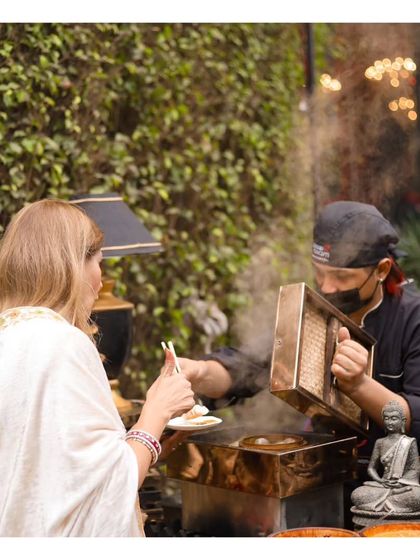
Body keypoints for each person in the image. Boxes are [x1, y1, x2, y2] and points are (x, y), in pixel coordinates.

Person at [0, 199, 195, 537]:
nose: (100, 278)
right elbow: (107, 493)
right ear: (74, 267)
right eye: (99, 262)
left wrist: (153, 442)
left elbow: (49, 477)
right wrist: (157, 411)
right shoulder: (63, 344)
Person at [178, 201, 420, 453]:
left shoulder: (413, 319)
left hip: (392, 479)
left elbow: (414, 420)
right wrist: (198, 371)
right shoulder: (312, 313)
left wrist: (359, 385)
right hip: (323, 468)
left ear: (382, 269)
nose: (327, 287)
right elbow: (246, 367)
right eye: (320, 273)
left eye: (342, 277)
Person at [351, 400, 420, 513]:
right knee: (357, 494)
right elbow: (371, 468)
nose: (389, 422)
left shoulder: (409, 442)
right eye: (386, 418)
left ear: (402, 421)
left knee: (417, 496)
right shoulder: (380, 442)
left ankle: (385, 502)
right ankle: (390, 501)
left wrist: (400, 482)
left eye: (394, 418)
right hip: (383, 484)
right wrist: (381, 481)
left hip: (402, 486)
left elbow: (414, 469)